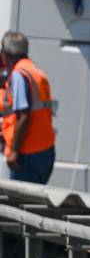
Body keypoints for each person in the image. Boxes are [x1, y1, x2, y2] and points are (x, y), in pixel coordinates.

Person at [1, 31, 56, 185]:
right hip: (45, 150)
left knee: (20, 203)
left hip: (28, 153)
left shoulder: (19, 74)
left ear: (7, 53)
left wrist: (13, 152)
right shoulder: (36, 71)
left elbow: (23, 117)